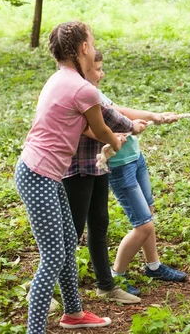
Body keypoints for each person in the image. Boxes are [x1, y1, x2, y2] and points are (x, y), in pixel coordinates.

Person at [14, 21, 122, 332]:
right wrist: (115, 141)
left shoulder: (61, 78)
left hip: (41, 172)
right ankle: (35, 329)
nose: (94, 43)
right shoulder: (83, 87)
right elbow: (101, 129)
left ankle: (74, 313)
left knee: (65, 242)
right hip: (39, 175)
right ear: (84, 48)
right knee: (53, 255)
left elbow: (105, 119)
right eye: (92, 40)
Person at [63, 50, 150, 305]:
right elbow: (100, 125)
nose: (101, 73)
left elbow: (108, 118)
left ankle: (106, 285)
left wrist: (121, 131)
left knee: (99, 225)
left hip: (98, 165)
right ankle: (45, 286)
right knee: (73, 232)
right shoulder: (78, 89)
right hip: (77, 169)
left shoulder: (91, 91)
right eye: (97, 68)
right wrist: (127, 129)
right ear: (83, 63)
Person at [102, 64, 187, 293]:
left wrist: (153, 117)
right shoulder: (84, 95)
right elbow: (105, 126)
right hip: (120, 168)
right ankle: (116, 275)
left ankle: (153, 266)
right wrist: (132, 126)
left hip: (135, 159)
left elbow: (118, 111)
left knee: (147, 214)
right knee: (143, 225)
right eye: (97, 68)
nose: (102, 73)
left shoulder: (96, 92)